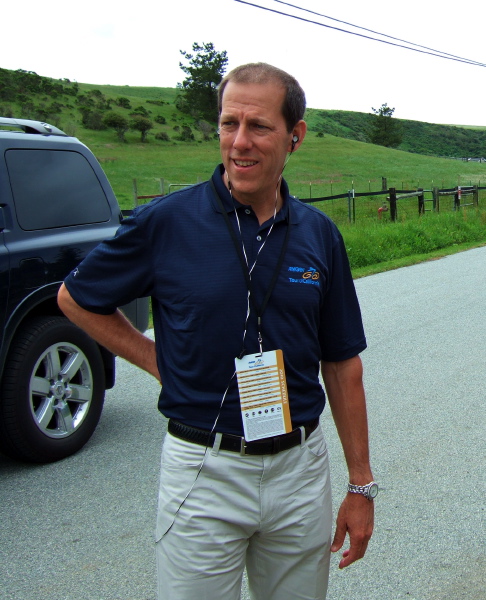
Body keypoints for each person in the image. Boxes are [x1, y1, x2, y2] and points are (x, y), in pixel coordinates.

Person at [58, 62, 375, 600]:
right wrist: (158, 361)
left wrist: (361, 484)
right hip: (203, 468)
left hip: (299, 471)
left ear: (295, 136)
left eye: (259, 127)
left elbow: (342, 364)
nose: (239, 143)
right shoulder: (167, 221)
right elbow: (76, 298)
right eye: (230, 124)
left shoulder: (319, 235)